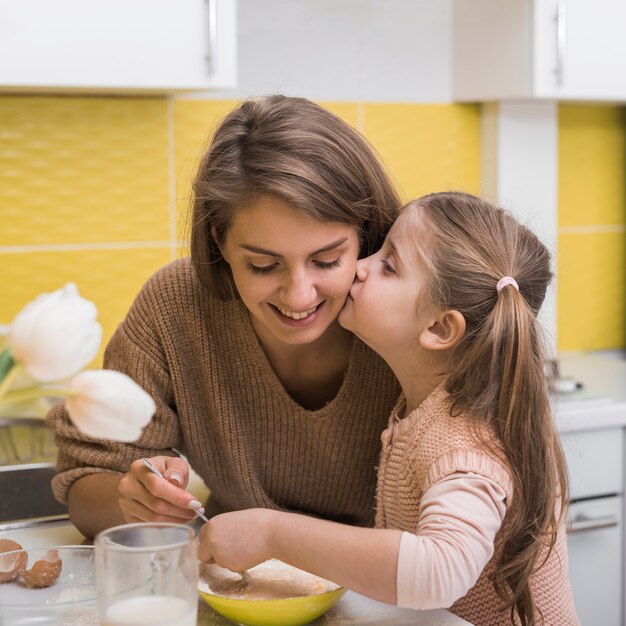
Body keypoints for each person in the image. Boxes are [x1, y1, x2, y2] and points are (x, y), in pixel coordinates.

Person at [198, 192, 580, 626]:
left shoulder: (467, 441)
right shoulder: (432, 409)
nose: (359, 267)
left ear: (439, 328)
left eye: (388, 265)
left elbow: (440, 570)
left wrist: (272, 534)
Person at [47, 95, 402, 538]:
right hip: (237, 581)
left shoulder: (412, 310)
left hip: (397, 594)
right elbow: (85, 484)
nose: (299, 294)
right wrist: (134, 498)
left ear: (364, 234)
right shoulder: (174, 307)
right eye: (263, 265)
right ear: (220, 241)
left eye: (327, 260)